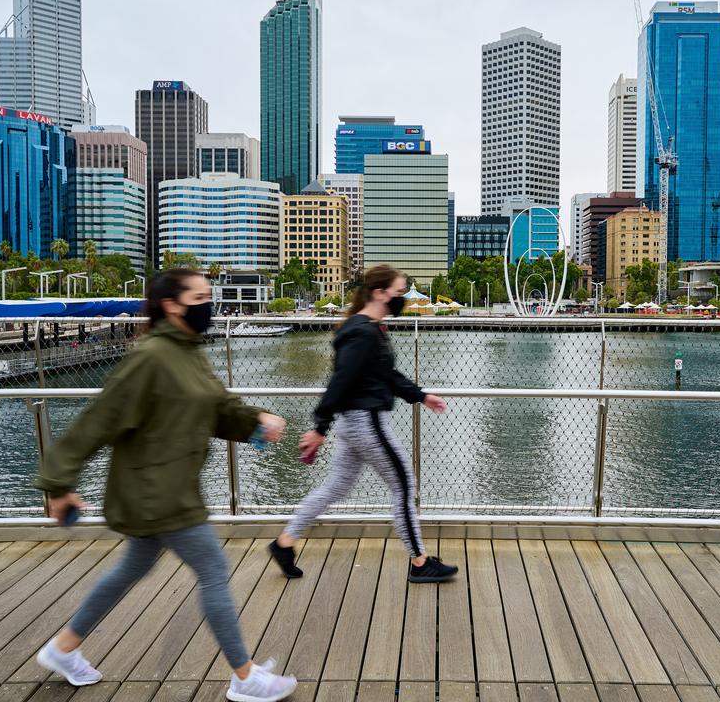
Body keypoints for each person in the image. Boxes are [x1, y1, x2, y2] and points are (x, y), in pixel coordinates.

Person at [34, 269, 297, 702]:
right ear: (173, 305)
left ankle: (63, 649)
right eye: (200, 296)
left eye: (209, 295)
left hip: (166, 486)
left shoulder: (188, 350)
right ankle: (245, 678)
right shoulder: (151, 357)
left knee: (132, 568)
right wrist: (58, 483)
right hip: (158, 493)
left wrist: (255, 422)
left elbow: (215, 408)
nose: (208, 304)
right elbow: (97, 420)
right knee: (213, 570)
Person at [269, 264, 458, 584]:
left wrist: (421, 396)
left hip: (354, 424)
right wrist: (319, 427)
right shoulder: (363, 332)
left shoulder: (368, 328)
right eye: (399, 293)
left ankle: (284, 543)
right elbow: (340, 381)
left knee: (335, 488)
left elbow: (386, 375)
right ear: (379, 293)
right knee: (404, 485)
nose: (403, 299)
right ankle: (420, 562)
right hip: (367, 424)